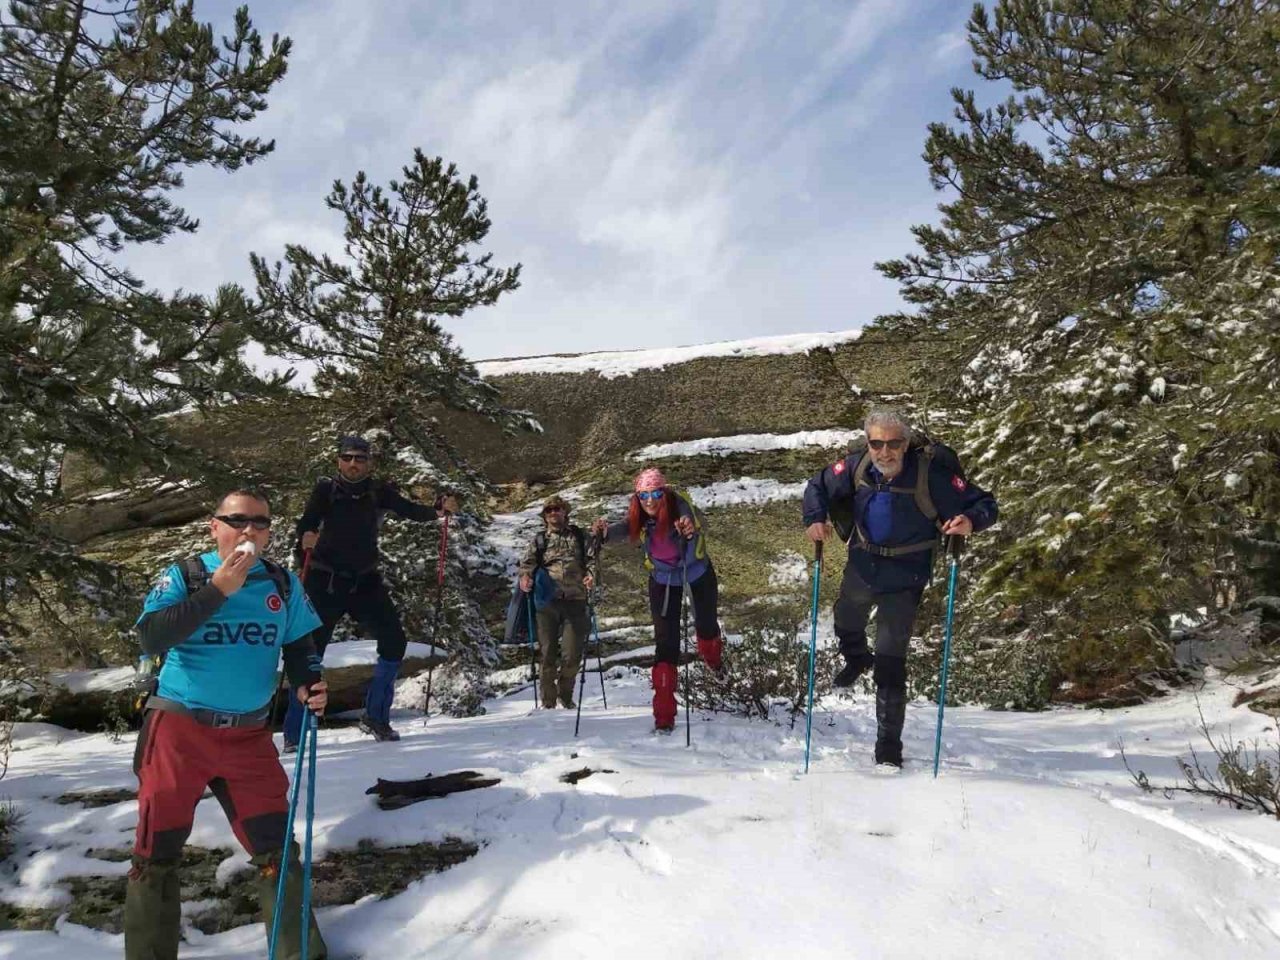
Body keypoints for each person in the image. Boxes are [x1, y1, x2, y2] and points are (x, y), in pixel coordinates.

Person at [128, 488, 328, 960]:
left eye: (260, 523)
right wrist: (218, 590)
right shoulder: (186, 575)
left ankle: (299, 953)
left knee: (276, 848)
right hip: (179, 729)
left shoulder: (280, 583)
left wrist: (309, 683)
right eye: (237, 520)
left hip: (248, 737)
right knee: (157, 850)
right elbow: (151, 636)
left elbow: (300, 646)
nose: (248, 531)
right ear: (214, 526)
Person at [801, 407, 998, 768]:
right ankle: (857, 658)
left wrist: (970, 521)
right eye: (877, 443)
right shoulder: (857, 467)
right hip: (863, 563)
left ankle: (888, 745)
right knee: (846, 618)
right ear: (868, 443)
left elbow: (985, 503)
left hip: (906, 576)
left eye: (893, 443)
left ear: (905, 444)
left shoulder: (930, 475)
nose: (885, 451)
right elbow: (817, 485)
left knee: (891, 658)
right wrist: (814, 519)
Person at [289, 435, 458, 745]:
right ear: (339, 461)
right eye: (347, 458)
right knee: (310, 652)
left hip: (364, 581)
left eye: (360, 458)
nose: (353, 463)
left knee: (394, 641)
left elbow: (409, 509)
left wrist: (437, 511)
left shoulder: (378, 491)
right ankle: (296, 731)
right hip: (324, 581)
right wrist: (305, 540)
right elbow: (307, 523)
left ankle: (376, 716)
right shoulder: (326, 489)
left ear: (369, 462)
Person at [592, 468, 724, 733]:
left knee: (706, 624)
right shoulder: (640, 515)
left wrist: (687, 529)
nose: (649, 501)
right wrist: (604, 534)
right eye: (643, 495)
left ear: (664, 492)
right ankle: (664, 716)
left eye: (655, 494)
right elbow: (624, 528)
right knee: (666, 645)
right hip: (663, 580)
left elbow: (690, 520)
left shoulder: (679, 506)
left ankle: (714, 661)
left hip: (696, 572)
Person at [517, 495, 597, 709]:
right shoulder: (539, 540)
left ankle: (565, 695)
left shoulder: (580, 536)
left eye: (557, 509)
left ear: (565, 512)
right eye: (549, 510)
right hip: (547, 602)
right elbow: (526, 565)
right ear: (544, 516)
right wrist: (525, 578)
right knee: (547, 654)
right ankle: (548, 702)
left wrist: (591, 576)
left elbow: (592, 560)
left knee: (572, 655)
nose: (553, 512)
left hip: (576, 600)